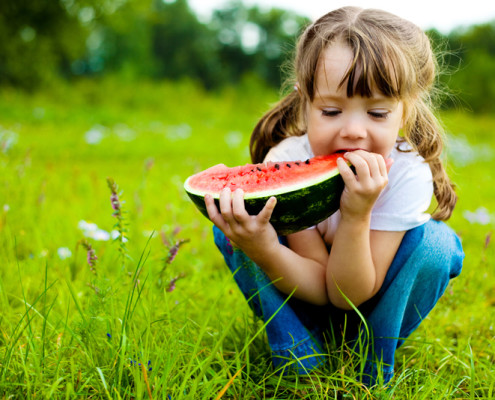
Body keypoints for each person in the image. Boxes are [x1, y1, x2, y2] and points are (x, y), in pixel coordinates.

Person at [204, 6, 464, 386]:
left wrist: (357, 215)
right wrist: (262, 246)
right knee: (233, 225)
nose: (354, 131)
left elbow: (347, 296)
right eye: (330, 111)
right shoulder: (288, 160)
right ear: (304, 101)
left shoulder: (407, 173)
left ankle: (370, 366)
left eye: (377, 113)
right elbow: (321, 288)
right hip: (301, 292)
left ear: (405, 112)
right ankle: (298, 357)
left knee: (438, 244)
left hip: (371, 304)